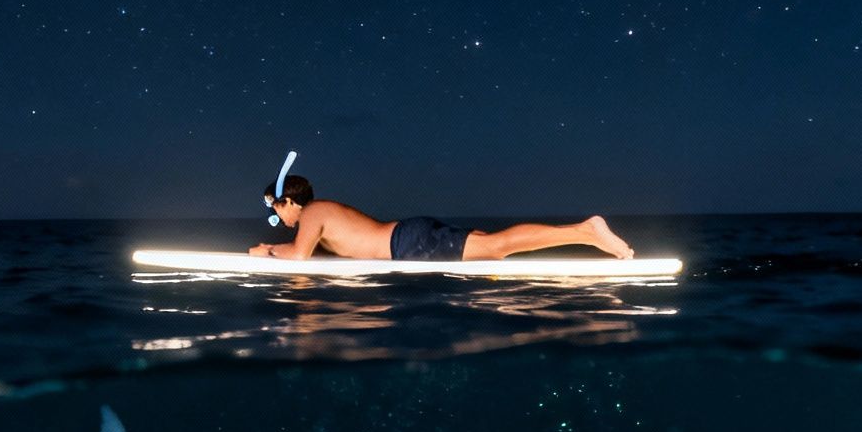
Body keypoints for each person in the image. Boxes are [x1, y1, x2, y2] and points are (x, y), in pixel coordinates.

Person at [248, 175, 633, 261]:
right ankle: (584, 233)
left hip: (409, 244)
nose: (276, 217)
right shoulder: (324, 212)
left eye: (276, 209)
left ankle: (585, 231)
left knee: (497, 247)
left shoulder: (313, 212)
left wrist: (266, 252)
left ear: (289, 202)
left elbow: (299, 256)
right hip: (410, 237)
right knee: (488, 242)